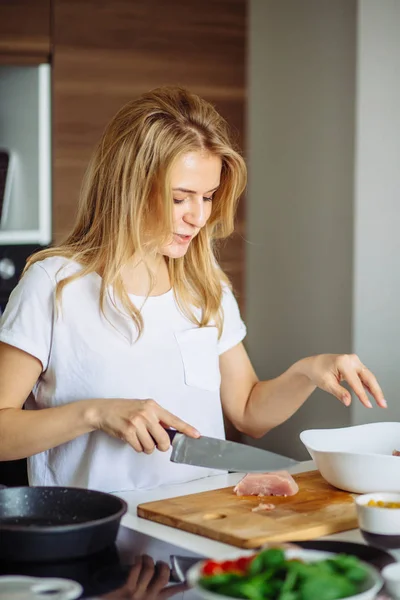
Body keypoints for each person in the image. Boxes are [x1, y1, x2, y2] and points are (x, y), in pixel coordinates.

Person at [0, 86, 386, 493]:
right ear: (129, 187)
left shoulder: (203, 284)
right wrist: (94, 414)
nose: (199, 217)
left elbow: (249, 412)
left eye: (208, 197)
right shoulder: (54, 285)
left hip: (195, 533)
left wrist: (307, 371)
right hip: (93, 540)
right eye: (181, 197)